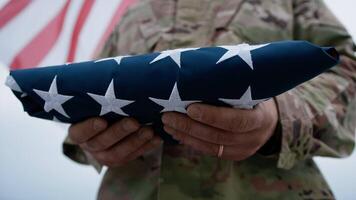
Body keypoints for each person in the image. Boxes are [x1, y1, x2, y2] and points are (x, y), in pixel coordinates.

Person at [63, 0, 356, 199]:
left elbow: (345, 66)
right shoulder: (129, 14)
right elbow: (90, 95)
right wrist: (92, 143)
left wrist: (280, 117)